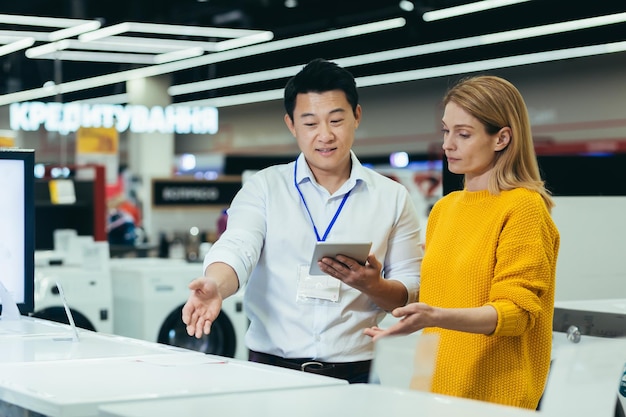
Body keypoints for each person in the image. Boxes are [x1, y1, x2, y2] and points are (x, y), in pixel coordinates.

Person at [182, 58, 423, 383]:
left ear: (357, 116)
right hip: (271, 376)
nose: (325, 135)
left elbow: (410, 290)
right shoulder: (265, 188)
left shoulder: (392, 197)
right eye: (310, 124)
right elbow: (239, 247)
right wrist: (216, 286)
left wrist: (373, 286)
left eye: (336, 120)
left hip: (357, 379)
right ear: (291, 125)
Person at [365, 75, 560, 409]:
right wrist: (380, 289)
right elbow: (439, 299)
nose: (447, 144)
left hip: (493, 400)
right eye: (446, 130)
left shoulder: (523, 207)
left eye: (463, 134)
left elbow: (516, 314)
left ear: (501, 138)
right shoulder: (444, 209)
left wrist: (435, 316)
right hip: (430, 393)